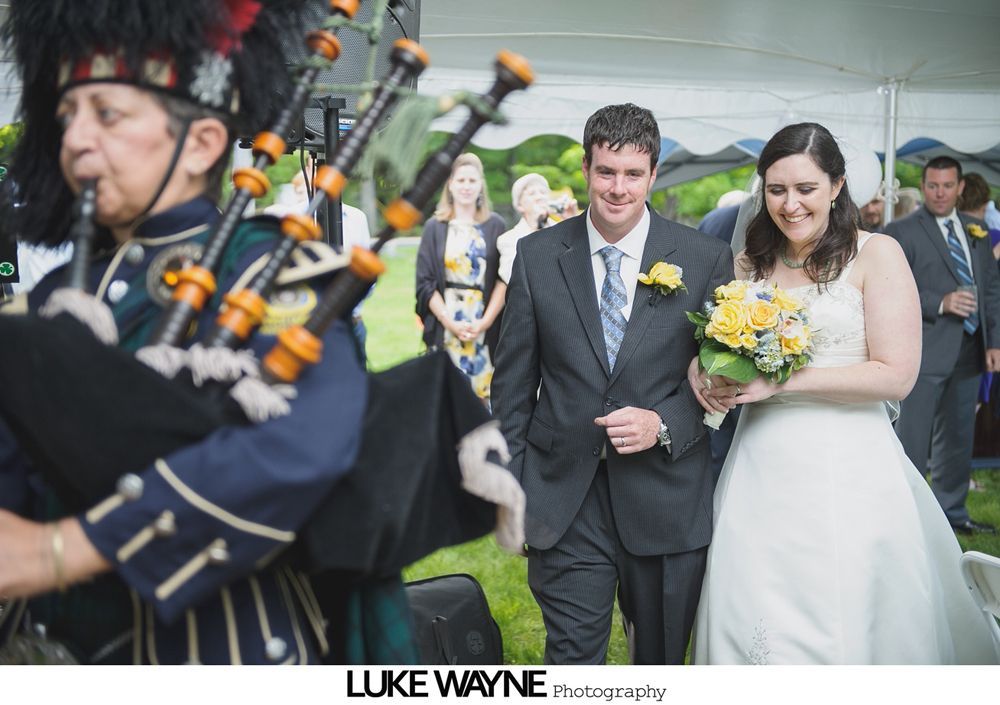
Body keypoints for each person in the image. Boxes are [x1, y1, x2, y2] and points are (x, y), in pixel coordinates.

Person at [0, 0, 377, 664]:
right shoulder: (59, 294)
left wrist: (60, 551)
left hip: (216, 650)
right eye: (67, 115)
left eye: (108, 114)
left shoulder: (263, 268)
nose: (77, 138)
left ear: (201, 142)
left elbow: (297, 446)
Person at [689, 122, 997, 664]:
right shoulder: (748, 264)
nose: (790, 205)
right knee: (757, 601)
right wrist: (705, 372)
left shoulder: (877, 254)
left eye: (806, 188)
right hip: (761, 462)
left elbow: (896, 374)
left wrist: (779, 382)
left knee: (844, 603)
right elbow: (720, 349)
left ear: (836, 186)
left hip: (849, 460)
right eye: (776, 190)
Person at [492, 103, 733, 664]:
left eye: (632, 174)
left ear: (653, 175)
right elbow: (510, 388)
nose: (618, 188)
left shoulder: (703, 259)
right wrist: (511, 491)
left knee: (659, 665)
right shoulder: (536, 256)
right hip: (564, 500)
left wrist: (663, 423)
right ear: (584, 169)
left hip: (666, 498)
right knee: (574, 664)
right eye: (606, 172)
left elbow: (727, 388)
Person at [885, 157, 1000, 534]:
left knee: (958, 437)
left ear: (960, 187)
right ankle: (909, 517)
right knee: (913, 438)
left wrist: (993, 342)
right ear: (923, 186)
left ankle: (953, 514)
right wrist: (940, 301)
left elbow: (992, 291)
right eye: (933, 186)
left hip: (971, 349)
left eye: (947, 186)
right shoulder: (900, 231)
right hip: (923, 350)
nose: (940, 193)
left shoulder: (977, 229)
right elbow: (889, 292)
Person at [415, 153, 506, 401]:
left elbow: (504, 279)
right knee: (447, 398)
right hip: (447, 320)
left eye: (472, 181)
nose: (466, 186)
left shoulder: (495, 225)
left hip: (485, 323)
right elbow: (425, 283)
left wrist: (485, 322)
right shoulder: (435, 227)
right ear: (450, 185)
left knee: (484, 398)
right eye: (461, 180)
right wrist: (449, 322)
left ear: (480, 186)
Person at [496, 172, 557, 286]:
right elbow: (512, 278)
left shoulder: (563, 231)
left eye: (543, 192)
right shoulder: (508, 240)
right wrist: (536, 228)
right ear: (519, 205)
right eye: (532, 194)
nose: (539, 197)